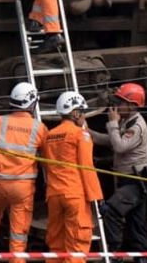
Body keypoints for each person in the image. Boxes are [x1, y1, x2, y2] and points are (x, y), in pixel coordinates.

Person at [0, 82, 48, 263]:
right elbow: (48, 162)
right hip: (23, 189)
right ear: (32, 103)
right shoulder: (39, 128)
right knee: (18, 234)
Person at [88, 83, 147, 263]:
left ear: (132, 105)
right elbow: (110, 140)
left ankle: (114, 256)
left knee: (111, 211)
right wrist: (88, 132)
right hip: (130, 180)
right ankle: (142, 259)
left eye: (120, 102)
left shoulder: (137, 126)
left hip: (135, 181)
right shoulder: (127, 122)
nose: (115, 106)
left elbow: (119, 146)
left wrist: (113, 123)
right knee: (137, 222)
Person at [42, 91, 103, 263]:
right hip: (74, 196)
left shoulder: (49, 136)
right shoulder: (80, 135)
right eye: (83, 112)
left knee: (56, 245)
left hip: (54, 196)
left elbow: (47, 165)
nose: (84, 117)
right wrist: (97, 198)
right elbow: (87, 168)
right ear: (75, 113)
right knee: (76, 245)